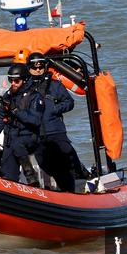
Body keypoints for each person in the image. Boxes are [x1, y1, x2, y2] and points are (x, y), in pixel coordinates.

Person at [27, 52, 91, 191]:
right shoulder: (24, 87)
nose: (38, 69)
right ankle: (57, 189)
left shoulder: (55, 85)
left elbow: (69, 102)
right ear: (28, 68)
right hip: (36, 133)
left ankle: (76, 179)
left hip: (55, 129)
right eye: (34, 66)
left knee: (66, 156)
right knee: (44, 163)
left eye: (41, 66)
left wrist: (55, 109)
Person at [0, 64, 43, 186]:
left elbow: (35, 120)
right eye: (10, 80)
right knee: (8, 171)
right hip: (11, 138)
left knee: (18, 144)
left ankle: (32, 178)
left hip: (29, 136)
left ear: (25, 80)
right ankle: (11, 188)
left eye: (16, 81)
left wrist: (15, 110)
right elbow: (1, 120)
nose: (13, 83)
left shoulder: (35, 97)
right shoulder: (8, 96)